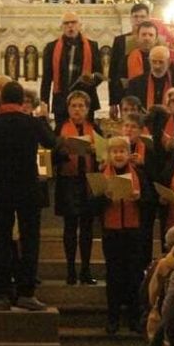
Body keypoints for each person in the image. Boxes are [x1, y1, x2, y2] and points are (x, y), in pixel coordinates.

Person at [0, 81, 58, 311]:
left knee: (2, 242)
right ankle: (26, 293)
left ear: (1, 100)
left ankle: (2, 295)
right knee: (30, 242)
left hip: (1, 190)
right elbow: (53, 143)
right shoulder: (32, 123)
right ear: (22, 101)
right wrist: (43, 119)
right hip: (28, 190)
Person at [53, 91, 100, 286]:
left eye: (81, 106)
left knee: (87, 228)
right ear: (68, 108)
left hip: (89, 181)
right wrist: (62, 152)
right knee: (70, 227)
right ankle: (71, 270)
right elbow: (51, 156)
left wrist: (96, 152)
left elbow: (104, 156)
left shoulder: (95, 129)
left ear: (88, 109)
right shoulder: (60, 128)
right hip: (68, 181)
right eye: (74, 106)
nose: (77, 110)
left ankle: (86, 270)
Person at [98, 136, 142, 334]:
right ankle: (113, 318)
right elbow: (91, 207)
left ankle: (134, 318)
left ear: (128, 154)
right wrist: (104, 198)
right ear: (109, 155)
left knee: (134, 275)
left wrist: (139, 198)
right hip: (111, 232)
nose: (118, 155)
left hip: (133, 232)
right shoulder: (101, 176)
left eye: (122, 151)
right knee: (113, 275)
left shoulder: (139, 174)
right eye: (114, 152)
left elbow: (150, 202)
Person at [40, 11, 102, 121]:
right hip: (61, 101)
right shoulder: (51, 47)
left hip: (85, 100)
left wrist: (90, 81)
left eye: (73, 22)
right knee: (62, 136)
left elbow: (99, 73)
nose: (70, 26)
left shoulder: (92, 46)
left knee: (85, 135)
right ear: (62, 27)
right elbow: (46, 79)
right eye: (66, 23)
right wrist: (44, 104)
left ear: (80, 25)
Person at [108, 4, 152, 117]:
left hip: (149, 90)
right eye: (136, 17)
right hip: (125, 92)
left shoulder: (155, 40)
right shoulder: (120, 41)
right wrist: (113, 101)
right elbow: (113, 71)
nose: (139, 20)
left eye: (142, 17)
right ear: (131, 19)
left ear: (148, 18)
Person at [112, 20, 159, 102]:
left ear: (156, 39)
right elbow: (119, 84)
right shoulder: (127, 58)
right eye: (143, 34)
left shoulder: (164, 59)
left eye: (151, 35)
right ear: (137, 37)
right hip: (133, 102)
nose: (147, 38)